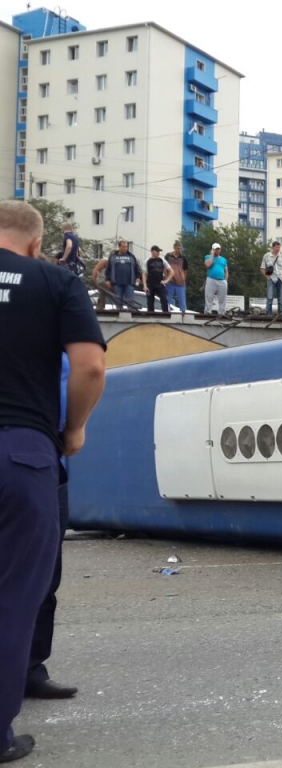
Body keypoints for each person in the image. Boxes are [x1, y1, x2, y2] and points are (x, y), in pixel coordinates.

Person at [0, 199, 106, 763]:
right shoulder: (52, 283)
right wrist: (74, 430)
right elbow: (89, 366)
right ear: (39, 243)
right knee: (17, 594)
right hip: (23, 451)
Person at [25, 355, 76, 702]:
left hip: (50, 463)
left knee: (46, 578)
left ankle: (29, 668)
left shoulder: (56, 345)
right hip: (33, 459)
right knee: (32, 579)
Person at [92, 240, 141, 310]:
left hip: (129, 283)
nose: (125, 248)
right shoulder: (113, 257)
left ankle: (131, 317)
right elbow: (108, 270)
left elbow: (137, 268)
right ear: (119, 247)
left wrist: (138, 277)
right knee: (118, 302)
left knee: (130, 301)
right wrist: (108, 280)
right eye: (123, 247)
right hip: (117, 284)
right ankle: (119, 316)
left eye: (126, 247)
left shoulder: (131, 256)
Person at [261, 241, 282, 317]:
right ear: (273, 247)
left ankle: (281, 313)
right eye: (276, 247)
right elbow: (262, 268)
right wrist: (267, 277)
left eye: (279, 247)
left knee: (281, 298)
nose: (278, 249)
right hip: (271, 278)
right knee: (269, 297)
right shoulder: (267, 256)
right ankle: (268, 313)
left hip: (280, 278)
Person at [143, 246, 172, 313]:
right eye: (157, 251)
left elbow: (171, 271)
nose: (159, 253)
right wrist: (145, 285)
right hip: (150, 284)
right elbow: (144, 274)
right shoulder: (147, 261)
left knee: (164, 300)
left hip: (160, 284)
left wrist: (166, 280)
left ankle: (165, 315)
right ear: (152, 252)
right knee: (150, 302)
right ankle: (150, 316)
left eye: (159, 251)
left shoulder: (162, 260)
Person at [203, 242, 229, 315]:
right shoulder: (208, 257)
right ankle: (208, 312)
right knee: (209, 297)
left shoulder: (223, 259)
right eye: (216, 249)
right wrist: (212, 254)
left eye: (218, 249)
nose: (217, 251)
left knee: (222, 299)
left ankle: (222, 312)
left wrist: (225, 280)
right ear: (213, 249)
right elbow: (208, 264)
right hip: (211, 279)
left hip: (221, 280)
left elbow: (226, 270)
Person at [165, 241, 188, 313]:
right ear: (174, 248)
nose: (179, 250)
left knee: (182, 299)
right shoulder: (168, 256)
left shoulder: (183, 257)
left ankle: (183, 314)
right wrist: (167, 278)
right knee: (168, 298)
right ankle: (166, 312)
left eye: (180, 249)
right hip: (170, 281)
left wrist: (183, 278)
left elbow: (185, 269)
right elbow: (164, 268)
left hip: (180, 282)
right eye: (178, 248)